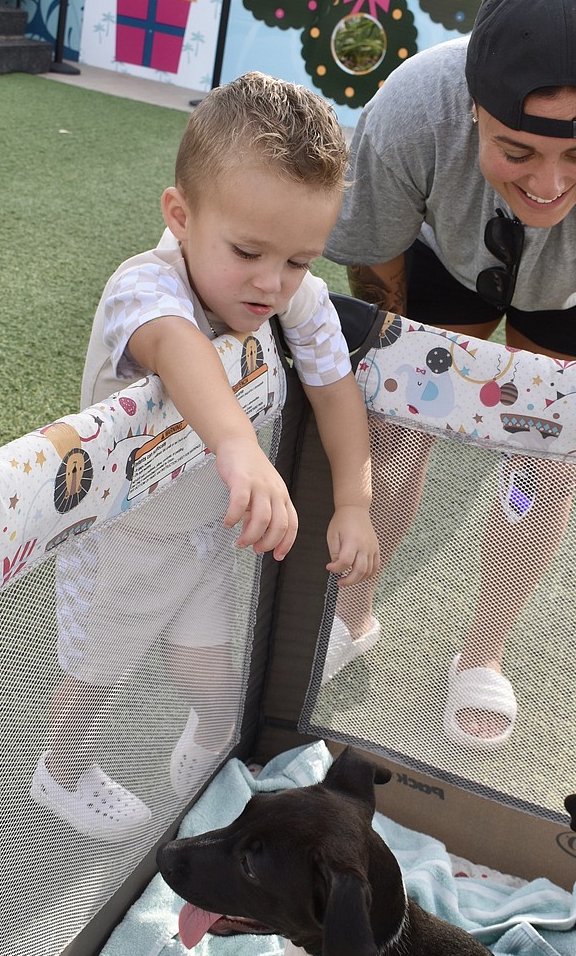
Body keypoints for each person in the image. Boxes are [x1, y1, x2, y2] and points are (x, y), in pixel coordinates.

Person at [323, 0, 576, 747]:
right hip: (446, 250)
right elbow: (377, 259)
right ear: (472, 107)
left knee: (543, 461)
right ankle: (351, 614)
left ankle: (485, 651)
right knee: (396, 427)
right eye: (518, 150)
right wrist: (400, 379)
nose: (547, 182)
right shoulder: (412, 107)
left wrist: (548, 422)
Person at [32, 72, 380, 838]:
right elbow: (180, 348)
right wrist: (238, 446)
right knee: (97, 677)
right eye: (250, 251)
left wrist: (353, 500)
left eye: (299, 259)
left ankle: (205, 741)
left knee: (213, 679)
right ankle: (58, 769)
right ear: (181, 216)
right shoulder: (143, 288)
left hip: (202, 539)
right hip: (122, 543)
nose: (274, 282)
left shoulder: (293, 293)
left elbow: (334, 388)